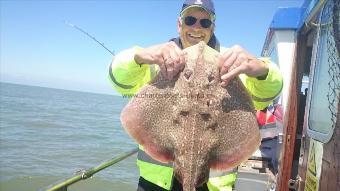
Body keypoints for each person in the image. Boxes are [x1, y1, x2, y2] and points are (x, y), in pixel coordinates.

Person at [109, 0, 283, 190]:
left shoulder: (231, 63)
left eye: (205, 22)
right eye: (190, 20)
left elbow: (268, 94)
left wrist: (262, 70)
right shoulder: (158, 58)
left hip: (213, 185)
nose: (197, 27)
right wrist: (138, 56)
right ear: (179, 24)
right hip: (155, 183)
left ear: (212, 27)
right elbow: (120, 81)